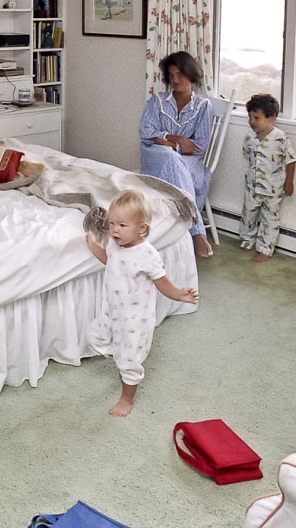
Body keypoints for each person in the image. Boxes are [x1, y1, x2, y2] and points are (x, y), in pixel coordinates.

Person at [86, 189, 199, 417]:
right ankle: (121, 355)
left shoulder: (147, 255)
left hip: (135, 318)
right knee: (96, 336)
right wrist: (93, 246)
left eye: (122, 225)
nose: (114, 230)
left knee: (129, 360)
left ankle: (127, 398)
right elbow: (112, 261)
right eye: (111, 224)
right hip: (112, 309)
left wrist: (178, 293)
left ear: (142, 229)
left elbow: (162, 282)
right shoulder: (114, 244)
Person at [139, 51, 215, 258]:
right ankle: (197, 231)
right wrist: (176, 141)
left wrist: (168, 142)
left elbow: (198, 146)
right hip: (155, 156)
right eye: (171, 75)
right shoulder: (157, 101)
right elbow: (146, 132)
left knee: (175, 160)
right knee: (168, 155)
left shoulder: (203, 106)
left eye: (180, 74)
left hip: (189, 162)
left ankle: (181, 230)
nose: (174, 80)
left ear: (191, 75)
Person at [239, 94, 296, 263]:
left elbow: (291, 159)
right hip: (252, 185)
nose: (252, 121)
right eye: (250, 117)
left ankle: (265, 249)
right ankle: (247, 240)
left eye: (257, 117)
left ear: (271, 118)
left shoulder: (280, 138)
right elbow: (247, 156)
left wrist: (289, 182)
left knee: (269, 219)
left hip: (273, 189)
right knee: (248, 214)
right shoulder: (250, 137)